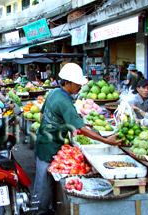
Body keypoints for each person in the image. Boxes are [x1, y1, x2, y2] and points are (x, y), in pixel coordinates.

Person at [33, 63, 122, 215]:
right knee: (43, 184)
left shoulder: (54, 93)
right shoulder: (65, 102)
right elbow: (82, 128)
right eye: (77, 83)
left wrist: (55, 128)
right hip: (49, 146)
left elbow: (42, 116)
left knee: (44, 181)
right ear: (67, 82)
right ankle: (38, 212)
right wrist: (107, 141)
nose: (80, 86)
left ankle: (45, 208)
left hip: (43, 141)